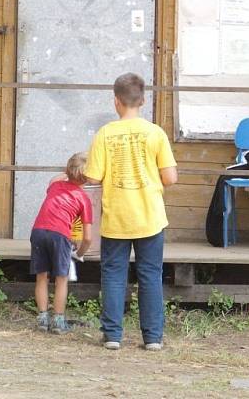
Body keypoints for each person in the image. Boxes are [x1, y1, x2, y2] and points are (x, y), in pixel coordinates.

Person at [84, 72, 178, 350]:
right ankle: (153, 338)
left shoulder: (105, 134)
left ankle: (112, 335)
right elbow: (170, 177)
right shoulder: (155, 133)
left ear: (116, 101)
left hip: (117, 216)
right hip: (149, 215)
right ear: (143, 100)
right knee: (150, 274)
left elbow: (92, 177)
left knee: (113, 273)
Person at [29, 152, 93, 334]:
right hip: (60, 235)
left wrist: (68, 171)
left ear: (67, 170)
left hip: (38, 231)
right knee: (61, 279)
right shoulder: (83, 199)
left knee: (41, 276)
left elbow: (56, 177)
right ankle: (58, 321)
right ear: (87, 178)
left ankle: (42, 319)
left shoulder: (55, 185)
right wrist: (79, 254)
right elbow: (87, 238)